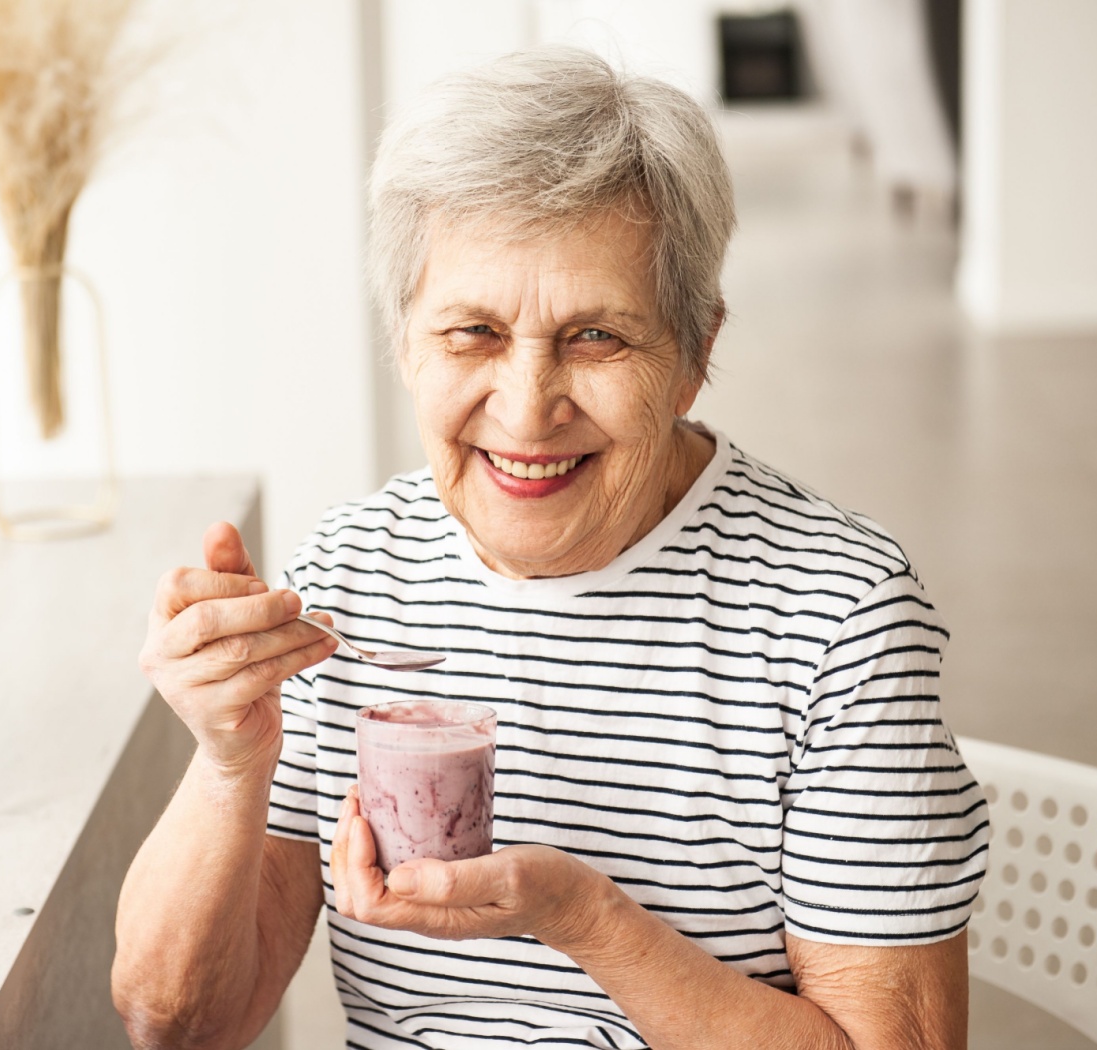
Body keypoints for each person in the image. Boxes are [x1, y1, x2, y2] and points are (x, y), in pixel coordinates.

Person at [112, 46, 988, 1050]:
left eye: (597, 337)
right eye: (472, 332)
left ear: (696, 353)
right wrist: (231, 763)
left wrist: (584, 919)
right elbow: (172, 1024)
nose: (527, 412)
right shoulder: (351, 583)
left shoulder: (836, 619)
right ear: (405, 344)